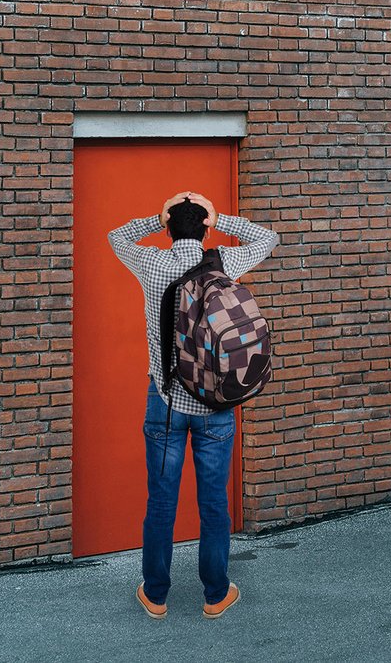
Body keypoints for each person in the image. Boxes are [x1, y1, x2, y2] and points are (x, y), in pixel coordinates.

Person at [108, 192, 279, 620]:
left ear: (168, 229)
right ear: (204, 229)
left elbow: (116, 238)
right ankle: (215, 594)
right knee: (214, 504)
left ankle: (157, 594)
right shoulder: (222, 262)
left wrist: (155, 216)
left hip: (164, 402)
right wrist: (223, 220)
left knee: (161, 503)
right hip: (214, 406)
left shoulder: (151, 264)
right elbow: (267, 237)